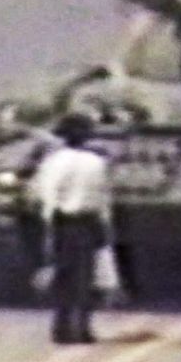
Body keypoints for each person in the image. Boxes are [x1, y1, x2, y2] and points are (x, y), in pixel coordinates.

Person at [31, 114, 122, 344]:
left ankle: (60, 329)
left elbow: (45, 193)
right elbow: (102, 198)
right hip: (87, 224)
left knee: (63, 278)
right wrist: (104, 229)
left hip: (60, 223)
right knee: (85, 280)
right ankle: (82, 329)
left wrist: (48, 225)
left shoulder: (53, 162)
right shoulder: (96, 162)